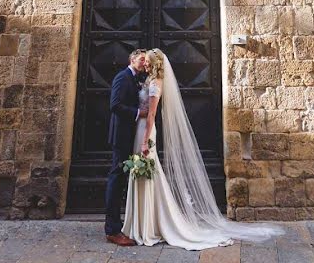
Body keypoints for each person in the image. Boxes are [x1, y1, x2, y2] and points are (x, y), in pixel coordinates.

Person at [121, 48, 282, 250]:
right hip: (140, 129)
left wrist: (145, 142)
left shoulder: (155, 83)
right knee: (146, 174)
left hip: (146, 131)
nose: (144, 64)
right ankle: (144, 222)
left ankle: (149, 224)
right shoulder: (148, 80)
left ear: (155, 64)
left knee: (149, 174)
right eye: (144, 62)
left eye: (148, 62)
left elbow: (152, 115)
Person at [104, 49, 150, 246]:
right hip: (121, 137)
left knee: (122, 179)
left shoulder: (138, 78)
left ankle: (122, 224)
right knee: (116, 179)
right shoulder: (122, 77)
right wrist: (139, 112)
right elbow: (115, 105)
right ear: (132, 59)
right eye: (141, 59)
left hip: (130, 136)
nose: (143, 63)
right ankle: (112, 230)